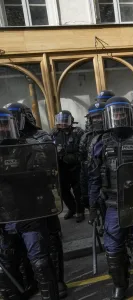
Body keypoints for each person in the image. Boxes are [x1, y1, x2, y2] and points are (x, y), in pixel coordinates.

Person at [88, 96, 133, 300]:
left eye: (122, 112)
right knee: (112, 248)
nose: (119, 117)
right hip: (113, 203)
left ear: (129, 114)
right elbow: (93, 177)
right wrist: (93, 207)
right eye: (115, 113)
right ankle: (120, 285)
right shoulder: (100, 142)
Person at [7, 103, 68, 297]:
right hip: (13, 205)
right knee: (18, 250)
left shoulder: (39, 137)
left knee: (50, 242)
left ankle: (58, 280)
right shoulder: (6, 141)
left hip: (42, 199)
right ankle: (29, 281)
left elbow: (45, 165)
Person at [51, 110, 85, 222]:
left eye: (65, 121)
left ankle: (80, 211)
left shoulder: (78, 132)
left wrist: (67, 157)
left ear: (71, 121)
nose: (62, 123)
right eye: (60, 121)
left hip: (76, 167)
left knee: (78, 191)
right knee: (63, 191)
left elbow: (82, 152)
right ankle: (72, 208)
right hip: (61, 168)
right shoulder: (54, 134)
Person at [79, 102, 106, 211]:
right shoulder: (86, 138)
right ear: (90, 120)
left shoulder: (114, 133)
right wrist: (85, 192)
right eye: (95, 118)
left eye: (100, 117)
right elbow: (83, 164)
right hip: (94, 177)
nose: (98, 120)